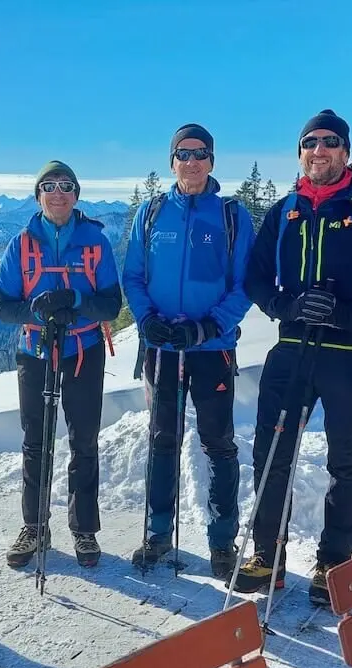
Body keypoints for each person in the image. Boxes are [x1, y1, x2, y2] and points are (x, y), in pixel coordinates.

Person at [234, 110, 352, 605]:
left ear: (346, 151)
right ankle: (268, 556)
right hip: (292, 346)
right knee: (270, 454)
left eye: (330, 142)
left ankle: (334, 562)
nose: (319, 150)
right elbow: (255, 277)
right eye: (310, 142)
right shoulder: (285, 211)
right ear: (300, 152)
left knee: (345, 459)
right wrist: (286, 306)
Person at [122, 123, 255, 579]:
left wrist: (209, 327)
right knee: (162, 440)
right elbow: (133, 276)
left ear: (211, 161)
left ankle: (222, 541)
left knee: (217, 443)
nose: (192, 161)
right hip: (162, 349)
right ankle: (158, 533)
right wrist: (147, 320)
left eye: (200, 153)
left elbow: (245, 284)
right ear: (172, 161)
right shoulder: (152, 213)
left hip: (212, 348)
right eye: (183, 153)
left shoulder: (231, 216)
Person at [0, 160, 121, 569]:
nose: (58, 193)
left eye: (66, 186)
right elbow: (2, 307)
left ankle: (84, 529)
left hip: (83, 350)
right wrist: (38, 310)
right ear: (38, 196)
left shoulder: (96, 243)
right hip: (36, 351)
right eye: (49, 186)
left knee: (84, 440)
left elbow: (111, 304)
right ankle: (35, 526)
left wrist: (76, 303)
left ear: (76, 195)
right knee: (36, 440)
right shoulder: (21, 245)